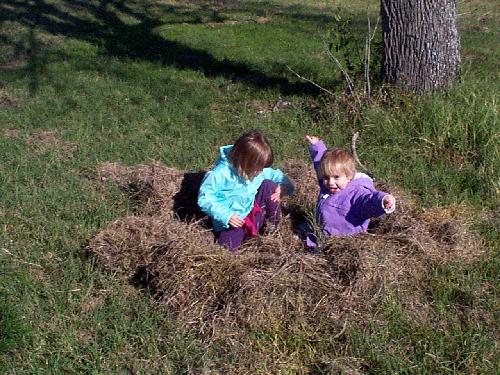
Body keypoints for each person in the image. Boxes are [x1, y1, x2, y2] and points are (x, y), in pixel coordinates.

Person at [198, 130, 294, 251]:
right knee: (226, 249)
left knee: (269, 185)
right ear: (245, 162)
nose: (260, 172)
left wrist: (284, 186)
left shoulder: (256, 170)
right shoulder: (220, 174)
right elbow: (205, 199)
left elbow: (277, 176)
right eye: (257, 169)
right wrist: (226, 216)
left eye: (261, 169)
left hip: (252, 212)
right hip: (233, 223)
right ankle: (244, 239)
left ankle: (272, 226)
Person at [304, 135, 395, 247]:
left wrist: (383, 200)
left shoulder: (356, 193)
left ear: (349, 176)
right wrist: (317, 146)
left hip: (343, 244)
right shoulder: (328, 185)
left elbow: (369, 201)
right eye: (326, 177)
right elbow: (319, 164)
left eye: (336, 177)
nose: (330, 182)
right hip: (321, 235)